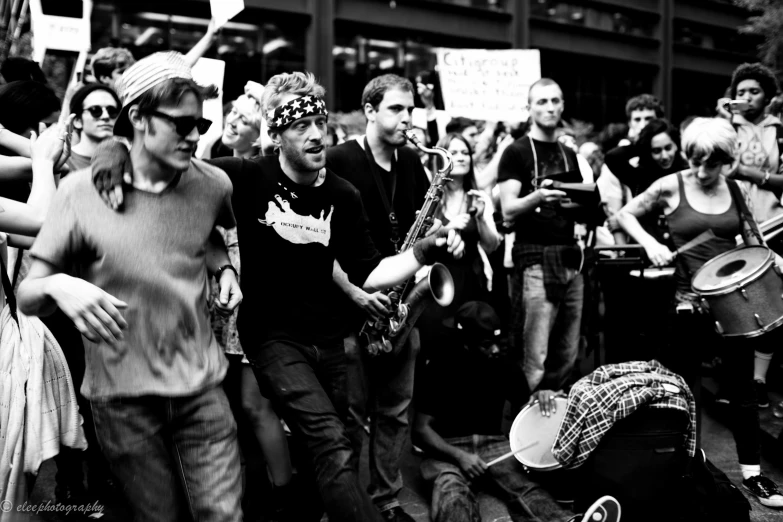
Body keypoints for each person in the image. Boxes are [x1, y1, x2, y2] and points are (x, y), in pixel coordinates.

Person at [91, 70, 464, 522]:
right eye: (299, 126)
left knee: (330, 449)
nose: (314, 135)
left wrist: (423, 253)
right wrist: (114, 147)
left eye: (319, 124)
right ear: (277, 133)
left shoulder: (343, 195)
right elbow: (172, 163)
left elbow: (371, 271)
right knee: (328, 438)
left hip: (329, 341)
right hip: (272, 338)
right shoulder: (245, 176)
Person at [17, 51, 245, 521]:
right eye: (180, 124)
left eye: (199, 124)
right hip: (121, 399)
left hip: (201, 388)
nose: (194, 136)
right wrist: (61, 284)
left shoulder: (214, 185)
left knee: (222, 516)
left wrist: (225, 270)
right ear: (138, 118)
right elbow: (28, 294)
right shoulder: (80, 193)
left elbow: (213, 236)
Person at [615, 117, 783, 508]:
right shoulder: (669, 185)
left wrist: (772, 259)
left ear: (725, 159)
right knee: (684, 390)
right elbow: (624, 214)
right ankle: (686, 468)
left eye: (712, 163)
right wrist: (648, 243)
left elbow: (754, 241)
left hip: (730, 303)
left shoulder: (735, 190)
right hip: (688, 303)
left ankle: (753, 476)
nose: (703, 171)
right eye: (696, 160)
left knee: (743, 393)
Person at [325, 73, 437, 522]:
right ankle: (347, 504)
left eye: (409, 110)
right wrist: (354, 294)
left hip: (400, 304)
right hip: (349, 305)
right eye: (395, 109)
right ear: (369, 110)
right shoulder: (337, 159)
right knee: (349, 418)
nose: (406, 119)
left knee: (395, 412)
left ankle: (387, 499)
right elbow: (317, 240)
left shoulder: (412, 162)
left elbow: (421, 227)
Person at [413, 300, 622, 522]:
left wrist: (538, 400)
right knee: (451, 492)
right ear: (467, 342)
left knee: (526, 489)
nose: (494, 349)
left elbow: (524, 409)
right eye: (486, 344)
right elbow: (420, 430)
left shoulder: (503, 362)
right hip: (448, 448)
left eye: (496, 341)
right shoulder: (441, 365)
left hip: (493, 444)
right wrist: (460, 457)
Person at [498, 78, 585, 396]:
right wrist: (539, 196)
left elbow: (581, 205)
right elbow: (508, 210)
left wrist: (578, 201)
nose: (550, 107)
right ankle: (525, 426)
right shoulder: (516, 151)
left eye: (555, 101)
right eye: (542, 101)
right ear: (529, 108)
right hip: (534, 256)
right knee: (533, 353)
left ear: (563, 105)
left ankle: (554, 419)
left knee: (567, 350)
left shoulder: (569, 153)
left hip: (570, 256)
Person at [717, 63, 783, 407]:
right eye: (739, 92)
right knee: (735, 307)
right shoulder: (725, 127)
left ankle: (758, 380)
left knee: (769, 305)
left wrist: (749, 173)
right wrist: (721, 124)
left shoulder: (779, 131)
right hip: (734, 228)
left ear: (768, 97)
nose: (745, 98)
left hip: (774, 228)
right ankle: (734, 379)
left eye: (753, 91)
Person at [67, 83, 121, 171]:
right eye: (95, 110)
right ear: (77, 121)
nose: (105, 116)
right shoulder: (63, 161)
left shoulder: (128, 160)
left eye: (112, 111)